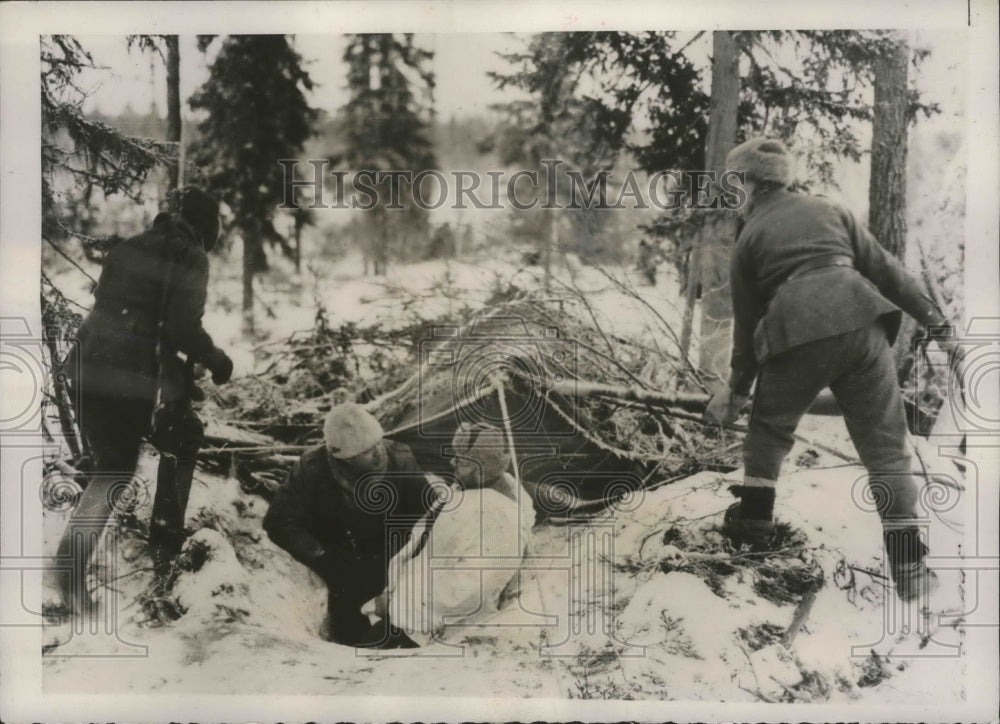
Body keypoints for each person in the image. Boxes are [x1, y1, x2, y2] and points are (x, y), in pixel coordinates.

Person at [703, 137, 960, 601]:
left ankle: (753, 531)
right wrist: (940, 327)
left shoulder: (749, 238)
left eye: (733, 185)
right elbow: (890, 273)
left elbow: (745, 327)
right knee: (887, 450)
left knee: (768, 433)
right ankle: (911, 567)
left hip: (797, 331)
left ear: (749, 183)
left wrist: (736, 392)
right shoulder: (831, 210)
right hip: (864, 325)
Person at [51, 186, 233, 614]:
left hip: (84, 363)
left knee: (108, 466)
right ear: (206, 228)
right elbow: (180, 328)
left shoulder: (130, 246)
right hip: (122, 374)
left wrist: (174, 377)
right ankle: (71, 570)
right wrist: (216, 359)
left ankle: (72, 567)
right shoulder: (190, 255)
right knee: (117, 471)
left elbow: (140, 319)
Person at [263, 403, 432, 646]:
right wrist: (320, 555)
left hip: (394, 558)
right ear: (345, 458)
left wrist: (409, 556)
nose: (378, 453)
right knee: (351, 635)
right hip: (342, 564)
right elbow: (279, 520)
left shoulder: (400, 458)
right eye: (366, 451)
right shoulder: (312, 468)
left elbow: (429, 515)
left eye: (378, 444)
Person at [365, 422, 535, 647]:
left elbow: (469, 589)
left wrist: (396, 605)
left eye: (462, 461)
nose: (452, 463)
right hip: (412, 607)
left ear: (481, 468)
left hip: (442, 627)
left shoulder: (500, 519)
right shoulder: (469, 487)